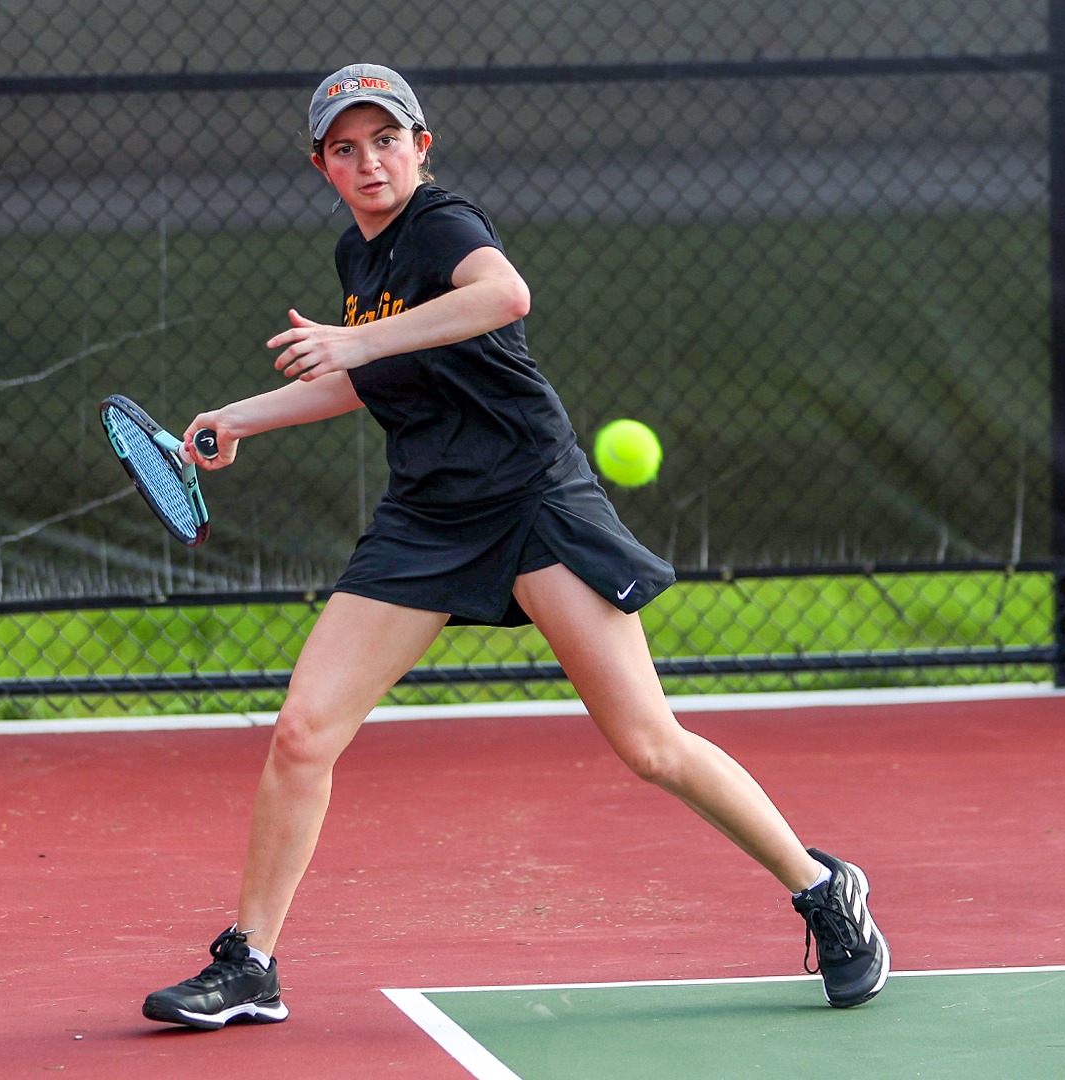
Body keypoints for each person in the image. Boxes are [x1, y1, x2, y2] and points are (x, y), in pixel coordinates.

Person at [140, 63, 889, 1031]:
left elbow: (504, 296)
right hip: (427, 517)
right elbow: (371, 375)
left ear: (422, 146)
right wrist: (238, 418)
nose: (370, 161)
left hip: (535, 502)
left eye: (386, 140)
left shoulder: (445, 226)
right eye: (346, 147)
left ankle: (823, 889)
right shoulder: (356, 262)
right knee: (302, 732)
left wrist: (358, 343)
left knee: (649, 744)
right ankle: (251, 964)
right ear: (322, 165)